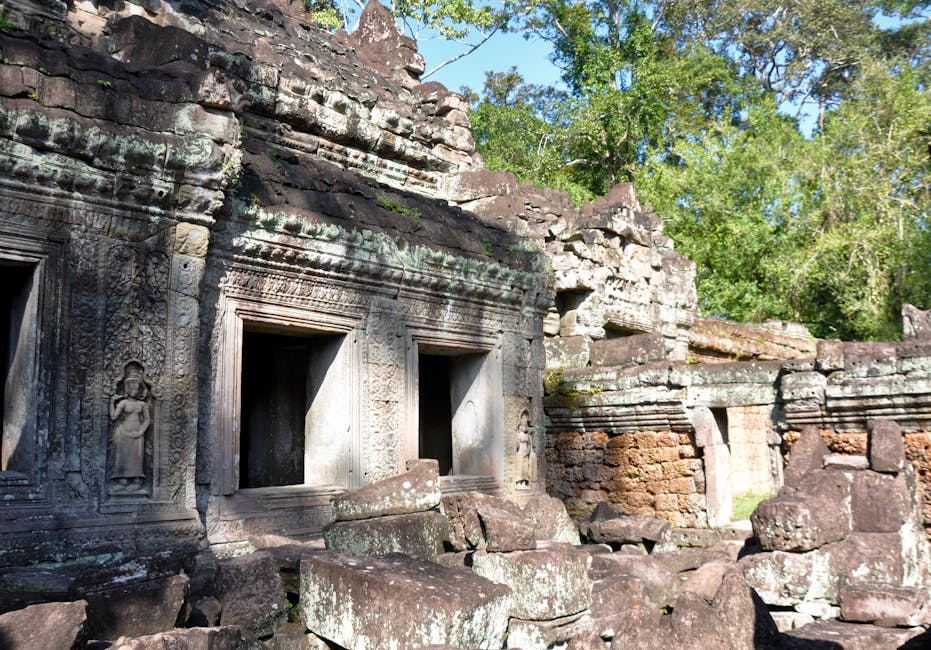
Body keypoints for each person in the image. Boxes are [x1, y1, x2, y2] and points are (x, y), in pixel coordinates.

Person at [109, 363, 151, 493]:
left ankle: (136, 480)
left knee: (136, 457)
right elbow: (113, 416)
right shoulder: (123, 402)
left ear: (139, 389)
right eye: (131, 387)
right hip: (123, 432)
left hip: (137, 432)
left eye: (136, 387)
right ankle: (123, 479)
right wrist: (111, 402)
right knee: (123, 456)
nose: (134, 390)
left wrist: (141, 431)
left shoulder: (142, 404)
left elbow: (147, 420)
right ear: (126, 388)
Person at [515, 410, 538, 485]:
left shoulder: (528, 435)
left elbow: (530, 445)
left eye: (526, 418)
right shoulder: (518, 434)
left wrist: (528, 451)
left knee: (525, 467)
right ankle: (518, 481)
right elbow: (517, 445)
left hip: (526, 451)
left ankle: (525, 481)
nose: (525, 420)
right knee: (520, 467)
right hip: (520, 451)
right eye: (523, 418)